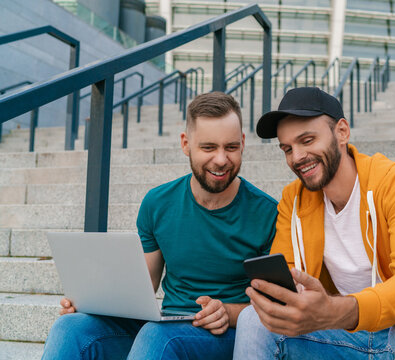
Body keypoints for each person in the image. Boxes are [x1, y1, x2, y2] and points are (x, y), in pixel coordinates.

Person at [233, 87, 395, 360]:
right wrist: (293, 299)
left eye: (307, 140)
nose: (297, 157)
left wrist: (336, 309)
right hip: (338, 336)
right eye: (287, 148)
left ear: (342, 132)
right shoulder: (294, 199)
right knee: (253, 320)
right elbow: (290, 272)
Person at [42, 92, 278, 360]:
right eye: (209, 147)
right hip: (164, 329)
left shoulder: (267, 213)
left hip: (225, 336)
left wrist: (228, 312)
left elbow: (276, 308)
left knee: (157, 335)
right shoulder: (158, 203)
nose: (221, 159)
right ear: (186, 144)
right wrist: (92, 303)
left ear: (243, 143)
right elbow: (142, 286)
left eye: (231, 147)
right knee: (70, 328)